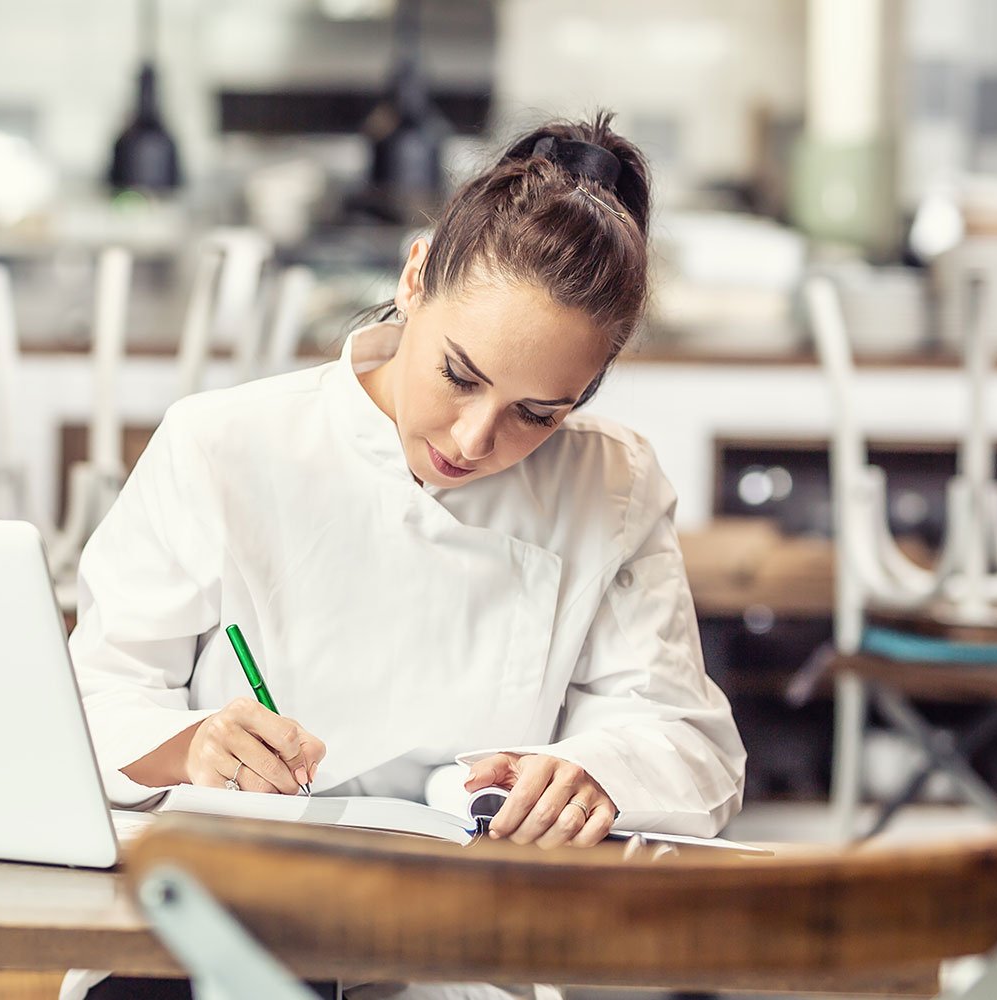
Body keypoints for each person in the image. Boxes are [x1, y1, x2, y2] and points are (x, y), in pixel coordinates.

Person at [65, 115, 748, 1000]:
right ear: (416, 276)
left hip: (459, 952)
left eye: (538, 414)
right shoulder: (223, 444)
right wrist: (192, 745)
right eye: (460, 375)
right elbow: (89, 697)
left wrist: (595, 774)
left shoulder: (611, 484)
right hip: (210, 937)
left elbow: (688, 740)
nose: (474, 438)